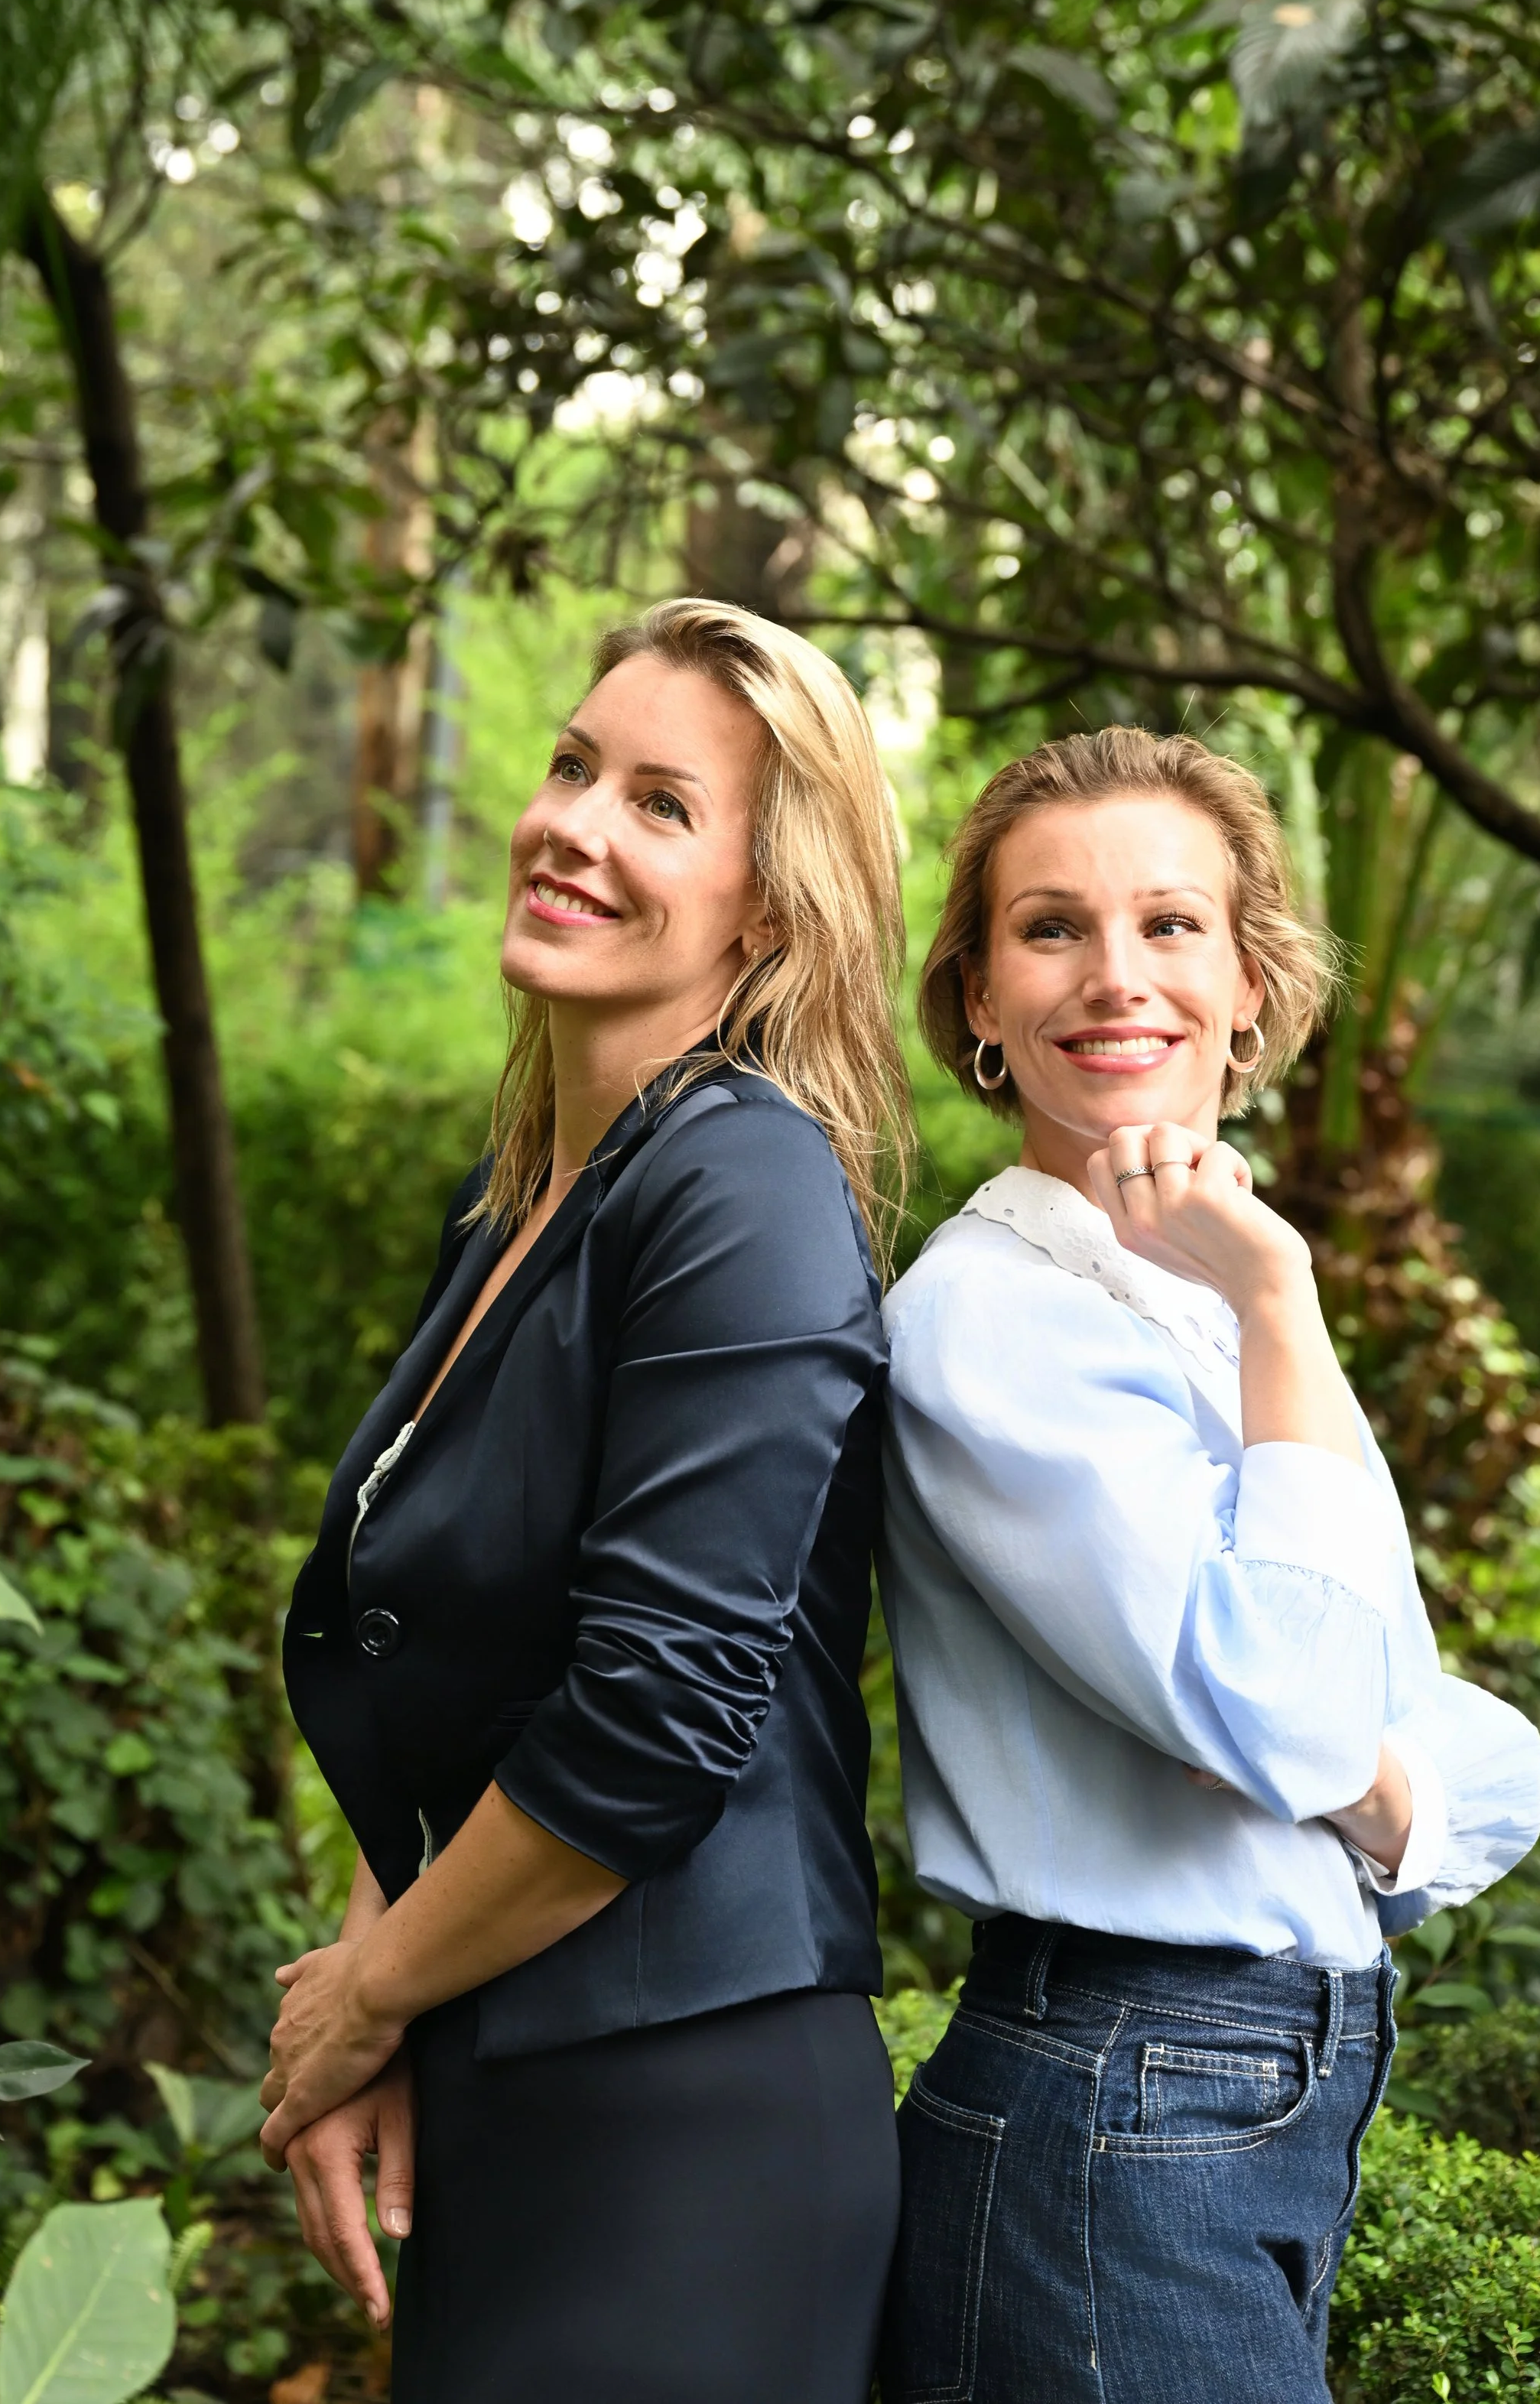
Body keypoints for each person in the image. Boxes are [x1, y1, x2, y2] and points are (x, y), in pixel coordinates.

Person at [262, 598, 911, 2404]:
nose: (571, 824)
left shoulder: (747, 1193)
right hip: (521, 2076)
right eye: (569, 766)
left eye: (658, 803)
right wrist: (389, 1981)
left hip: (683, 2125)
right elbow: (454, 1667)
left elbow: (649, 1723)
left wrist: (372, 1988)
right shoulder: (522, 1206)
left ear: (767, 913)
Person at [879, 726, 1540, 2404]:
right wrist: (1277, 1305)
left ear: (1249, 982)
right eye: (1049, 929)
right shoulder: (988, 1322)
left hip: (1233, 2106)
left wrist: (1366, 1785)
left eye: (1169, 925)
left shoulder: (1193, 1291)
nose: (1117, 978)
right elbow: (1297, 1701)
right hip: (1112, 2103)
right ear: (973, 997)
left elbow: (1459, 1753)